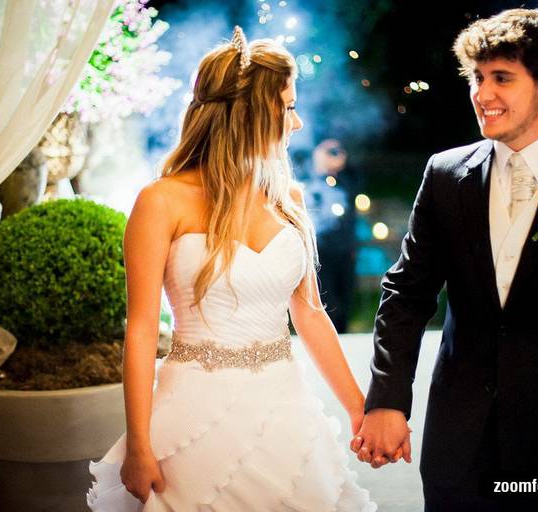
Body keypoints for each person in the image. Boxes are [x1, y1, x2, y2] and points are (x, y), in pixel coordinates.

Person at [351, 9, 538, 511]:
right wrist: (387, 399)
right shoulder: (446, 175)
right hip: (459, 444)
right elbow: (407, 293)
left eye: (502, 78)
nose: (483, 93)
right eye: (477, 78)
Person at [87, 27, 376, 511]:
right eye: (287, 106)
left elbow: (310, 314)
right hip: (192, 413)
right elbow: (140, 330)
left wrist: (358, 408)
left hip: (285, 410)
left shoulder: (289, 197)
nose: (298, 122)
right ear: (249, 113)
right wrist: (139, 444)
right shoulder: (161, 201)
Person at [303, 139, 359, 332]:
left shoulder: (346, 181)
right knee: (326, 300)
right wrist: (319, 167)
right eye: (329, 151)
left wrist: (339, 167)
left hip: (345, 250)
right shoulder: (308, 177)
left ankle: (342, 336)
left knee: (345, 298)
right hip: (320, 250)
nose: (333, 155)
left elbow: (355, 184)